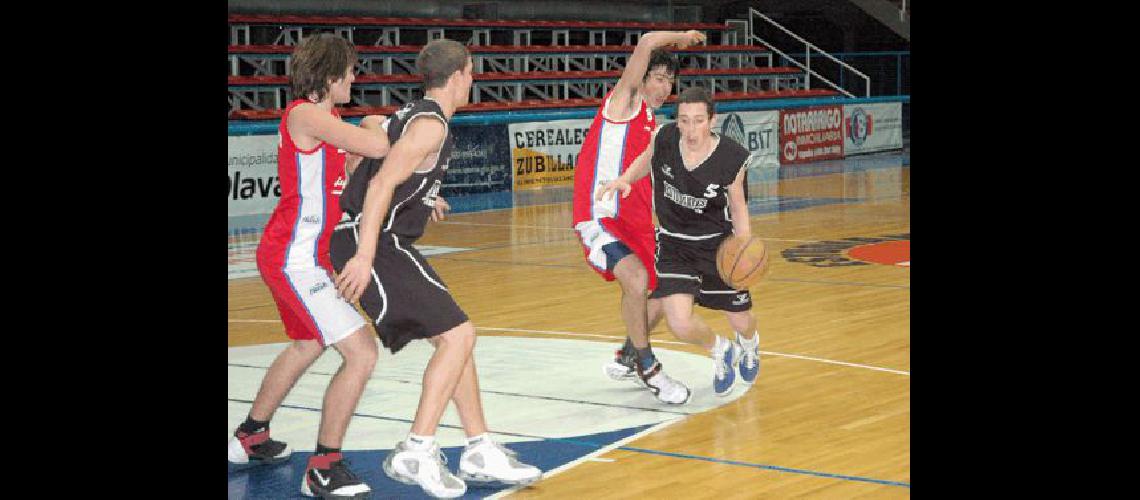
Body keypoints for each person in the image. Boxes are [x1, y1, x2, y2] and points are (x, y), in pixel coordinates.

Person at [330, 39, 542, 499]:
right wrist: (364, 256)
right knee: (460, 336)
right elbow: (382, 182)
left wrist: (423, 196)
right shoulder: (431, 127)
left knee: (454, 338)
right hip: (375, 244)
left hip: (381, 240)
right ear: (463, 73)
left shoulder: (412, 116)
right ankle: (418, 448)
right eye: (471, 72)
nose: (473, 79)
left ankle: (478, 445)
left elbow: (373, 136)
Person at [227, 34, 393, 500]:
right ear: (331, 74)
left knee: (306, 343)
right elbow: (379, 147)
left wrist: (366, 138)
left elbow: (356, 167)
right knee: (361, 352)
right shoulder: (304, 114)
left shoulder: (328, 121)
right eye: (352, 71)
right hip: (293, 256)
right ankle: (323, 466)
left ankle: (250, 436)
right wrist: (377, 125)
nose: (356, 79)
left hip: (303, 256)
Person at [596, 87, 762, 398]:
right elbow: (647, 159)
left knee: (741, 320)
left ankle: (749, 345)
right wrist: (624, 180)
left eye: (698, 120)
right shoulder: (666, 137)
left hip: (717, 246)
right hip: (674, 245)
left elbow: (738, 207)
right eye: (684, 120)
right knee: (679, 322)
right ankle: (721, 351)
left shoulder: (731, 157)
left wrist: (745, 245)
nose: (690, 129)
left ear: (711, 120)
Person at [571, 30, 706, 404]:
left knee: (666, 290)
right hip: (600, 214)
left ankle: (630, 352)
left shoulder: (655, 128)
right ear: (643, 77)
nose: (666, 87)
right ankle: (649, 366)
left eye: (671, 82)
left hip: (637, 224)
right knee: (635, 278)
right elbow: (646, 41)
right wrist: (681, 37)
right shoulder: (623, 103)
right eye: (660, 78)